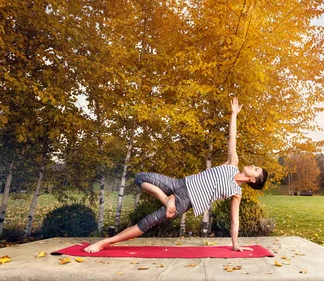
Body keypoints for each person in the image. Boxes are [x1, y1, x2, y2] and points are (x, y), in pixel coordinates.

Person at [84, 98, 268, 253]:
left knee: (146, 223)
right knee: (140, 177)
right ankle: (166, 200)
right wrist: (234, 114)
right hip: (179, 184)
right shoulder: (232, 163)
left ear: (252, 179)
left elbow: (235, 220)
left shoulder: (236, 192)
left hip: (183, 201)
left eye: (256, 169)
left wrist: (235, 245)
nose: (253, 165)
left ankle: (104, 243)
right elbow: (232, 137)